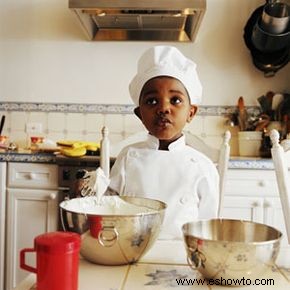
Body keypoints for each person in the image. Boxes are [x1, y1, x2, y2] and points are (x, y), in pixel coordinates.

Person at [109, 45, 219, 239]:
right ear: (139, 114)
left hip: (182, 257)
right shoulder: (127, 157)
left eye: (175, 100)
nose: (163, 108)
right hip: (131, 251)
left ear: (191, 113)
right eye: (152, 101)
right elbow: (109, 209)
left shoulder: (204, 167)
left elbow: (208, 228)